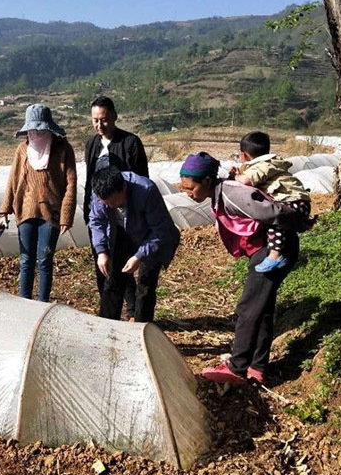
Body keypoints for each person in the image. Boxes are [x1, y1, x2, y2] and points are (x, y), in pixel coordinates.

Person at [179, 151, 304, 385]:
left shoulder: (231, 193)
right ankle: (257, 366)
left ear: (206, 181)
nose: (187, 193)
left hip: (272, 250)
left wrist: (301, 222)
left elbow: (274, 212)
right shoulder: (219, 193)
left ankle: (236, 368)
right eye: (184, 188)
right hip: (266, 249)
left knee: (248, 308)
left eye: (190, 188)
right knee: (262, 306)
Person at [0, 104, 77, 302]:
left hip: (51, 214)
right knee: (26, 260)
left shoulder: (63, 149)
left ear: (49, 128)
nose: (37, 133)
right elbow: (13, 181)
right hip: (25, 212)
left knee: (44, 260)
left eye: (41, 129)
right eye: (33, 130)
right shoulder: (23, 149)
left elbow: (71, 185)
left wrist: (66, 216)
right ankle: (24, 303)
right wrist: (3, 212)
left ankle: (42, 304)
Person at [88, 165, 180, 323]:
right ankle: (105, 326)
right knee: (113, 280)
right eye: (108, 204)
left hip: (152, 237)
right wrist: (101, 250)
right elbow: (96, 220)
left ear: (124, 187)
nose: (113, 206)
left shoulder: (146, 190)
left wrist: (139, 256)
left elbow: (160, 231)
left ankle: (141, 328)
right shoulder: (99, 192)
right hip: (122, 232)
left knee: (145, 284)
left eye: (116, 202)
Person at [84, 96, 149, 319]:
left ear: (114, 117)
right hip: (100, 213)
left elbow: (142, 180)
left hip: (123, 216)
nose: (99, 125)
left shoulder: (130, 143)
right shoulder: (92, 144)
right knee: (102, 262)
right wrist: (88, 211)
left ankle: (131, 311)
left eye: (104, 120)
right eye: (95, 120)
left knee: (123, 264)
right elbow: (89, 181)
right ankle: (109, 309)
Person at [230, 131, 312, 273]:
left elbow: (246, 180)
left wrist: (236, 176)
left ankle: (275, 256)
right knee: (273, 220)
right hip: (297, 202)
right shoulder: (267, 163)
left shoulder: (263, 165)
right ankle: (280, 254)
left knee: (274, 218)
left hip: (294, 202)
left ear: (244, 155)